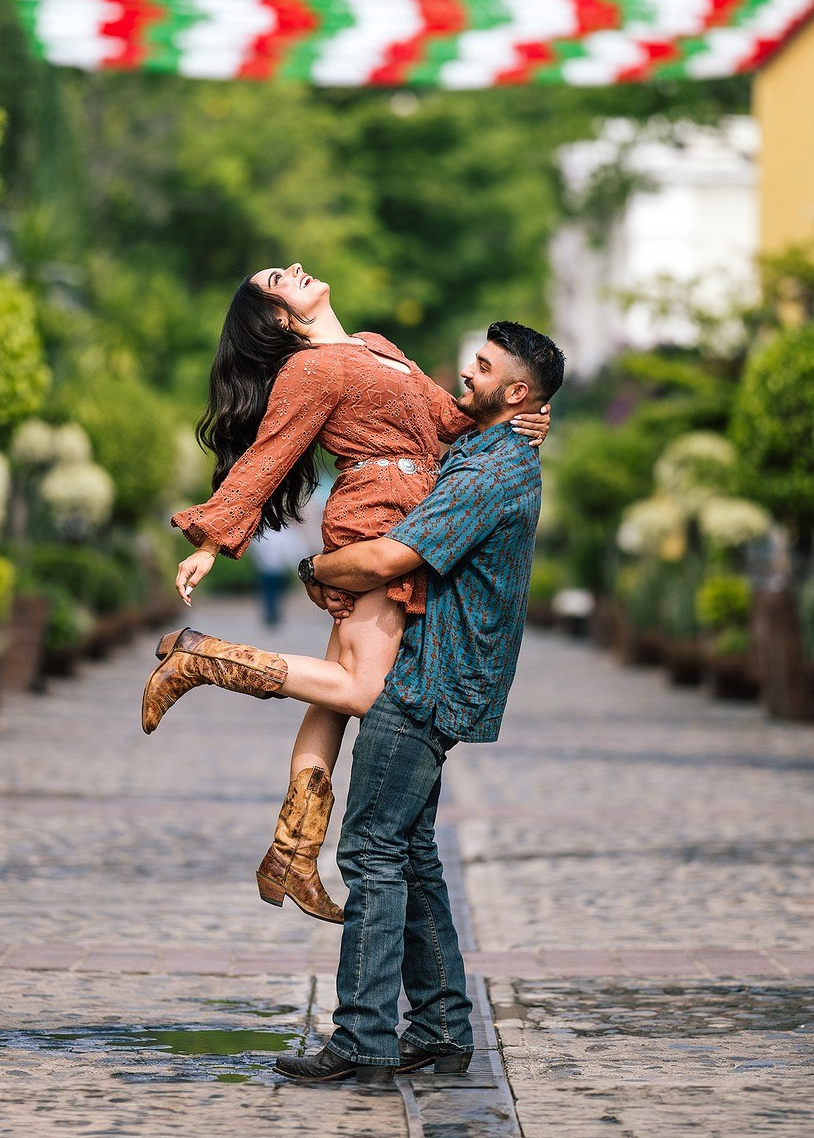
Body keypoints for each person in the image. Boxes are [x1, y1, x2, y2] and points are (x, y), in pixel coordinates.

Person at [143, 264, 548, 923]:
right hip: (376, 518)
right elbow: (272, 454)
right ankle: (199, 658)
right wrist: (212, 541)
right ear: (279, 317)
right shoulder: (309, 370)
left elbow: (448, 418)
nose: (294, 268)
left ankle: (293, 855)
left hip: (409, 509)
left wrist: (523, 412)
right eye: (279, 279)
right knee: (363, 690)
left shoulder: (374, 345)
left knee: (333, 692)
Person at [272, 321, 562, 1083]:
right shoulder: (491, 446)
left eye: (486, 367)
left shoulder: (490, 474)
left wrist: (317, 566)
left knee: (370, 850)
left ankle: (362, 1039)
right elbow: (427, 410)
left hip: (431, 680)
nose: (469, 372)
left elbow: (393, 556)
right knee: (411, 851)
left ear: (517, 392)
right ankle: (438, 1028)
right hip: (436, 672)